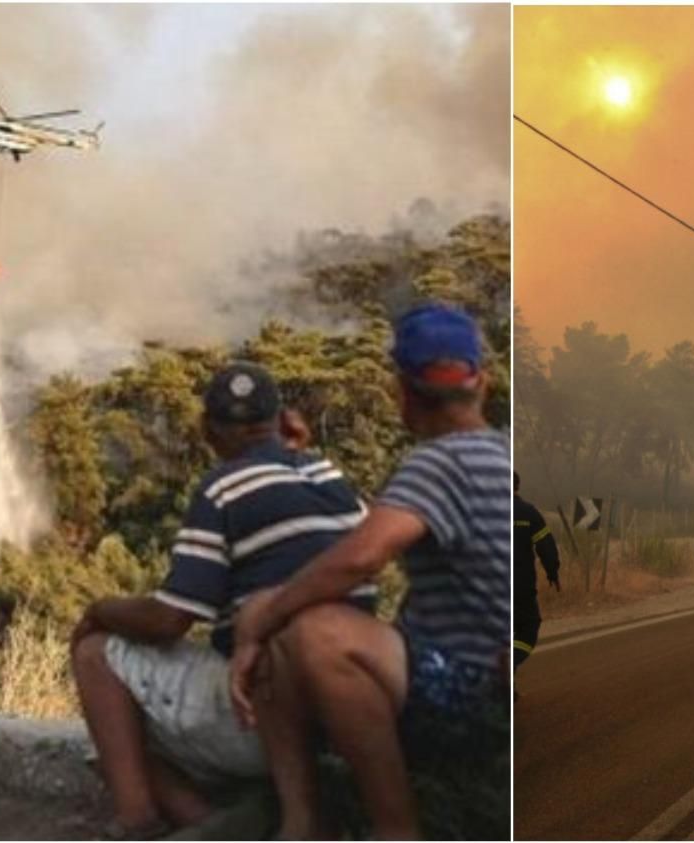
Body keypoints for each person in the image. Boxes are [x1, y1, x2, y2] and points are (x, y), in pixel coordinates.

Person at [229, 303, 509, 840]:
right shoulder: (502, 452)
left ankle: (393, 828)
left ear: (399, 391)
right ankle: (301, 826)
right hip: (488, 673)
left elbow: (360, 556)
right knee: (291, 637)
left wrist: (259, 620)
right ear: (482, 382)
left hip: (468, 690)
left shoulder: (440, 461)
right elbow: (376, 524)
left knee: (313, 633)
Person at [69, 362, 375, 839]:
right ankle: (213, 821)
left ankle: (138, 820)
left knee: (96, 658)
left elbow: (172, 618)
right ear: (281, 419)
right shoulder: (328, 474)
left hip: (263, 716)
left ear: (209, 430)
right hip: (346, 713)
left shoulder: (222, 490)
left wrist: (98, 611)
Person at [513, 471, 560, 673]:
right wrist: (553, 572)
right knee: (528, 627)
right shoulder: (528, 512)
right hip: (520, 586)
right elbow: (546, 546)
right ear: (517, 486)